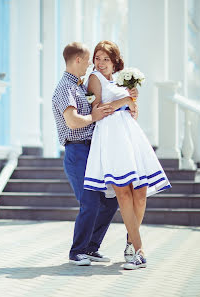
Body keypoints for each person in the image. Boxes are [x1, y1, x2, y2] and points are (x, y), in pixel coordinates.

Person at [83, 40, 171, 270]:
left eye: (106, 59)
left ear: (114, 62)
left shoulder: (120, 81)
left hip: (130, 136)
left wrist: (132, 102)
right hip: (111, 137)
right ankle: (139, 251)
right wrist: (126, 100)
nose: (100, 63)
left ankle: (131, 244)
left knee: (140, 193)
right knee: (123, 193)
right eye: (98, 58)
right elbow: (99, 110)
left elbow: (132, 113)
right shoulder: (95, 79)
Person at [52, 42, 138, 266]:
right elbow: (72, 121)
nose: (92, 64)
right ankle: (77, 251)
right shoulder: (65, 88)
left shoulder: (79, 86)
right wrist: (94, 117)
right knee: (89, 202)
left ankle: (91, 247)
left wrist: (128, 98)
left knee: (109, 201)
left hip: (92, 149)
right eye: (90, 59)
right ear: (78, 60)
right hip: (77, 150)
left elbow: (102, 103)